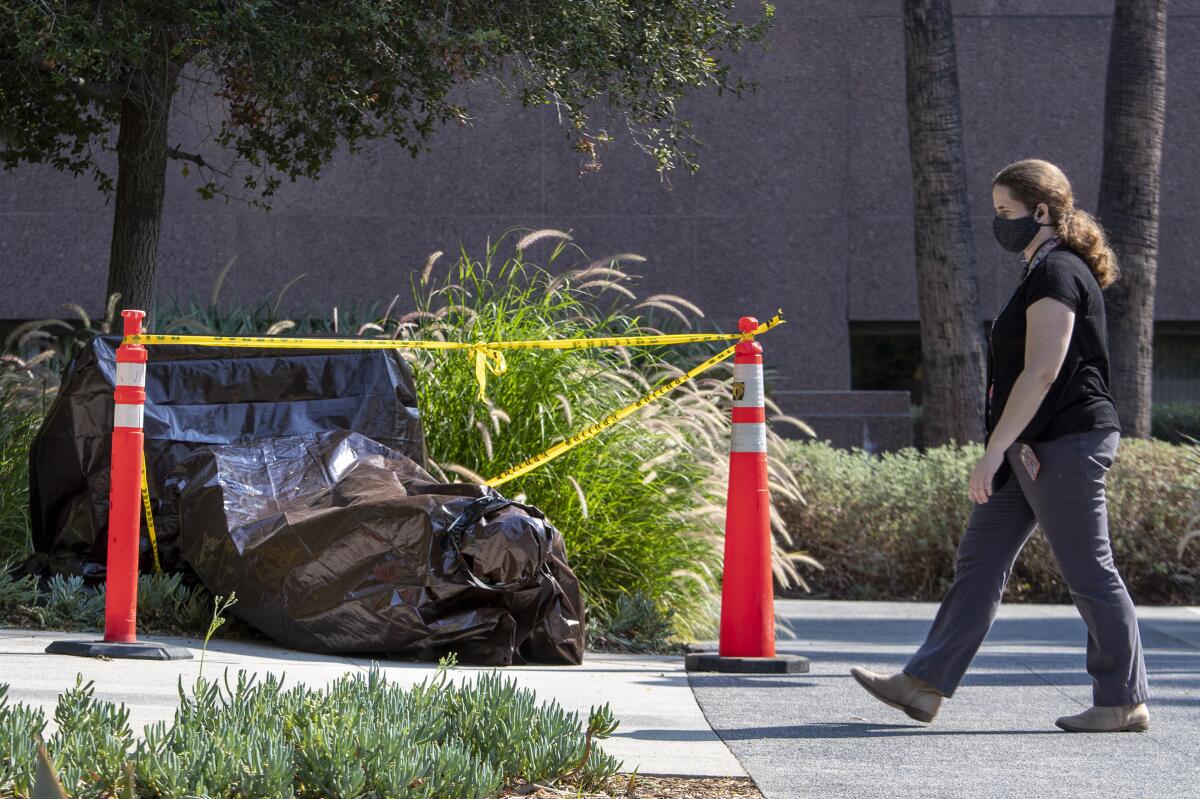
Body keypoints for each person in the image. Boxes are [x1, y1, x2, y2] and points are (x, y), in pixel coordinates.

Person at [850, 158, 1150, 733]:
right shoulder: (1038, 272)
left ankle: (1123, 699)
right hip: (1031, 446)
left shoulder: (1059, 272)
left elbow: (1041, 373)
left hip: (1067, 440)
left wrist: (993, 451)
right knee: (980, 561)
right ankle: (923, 684)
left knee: (1089, 569)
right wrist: (1006, 448)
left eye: (1005, 212)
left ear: (1041, 212)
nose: (998, 222)